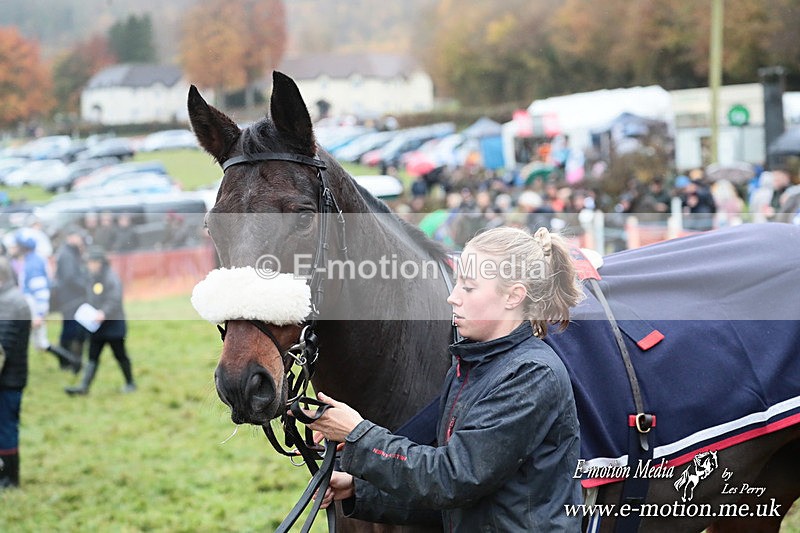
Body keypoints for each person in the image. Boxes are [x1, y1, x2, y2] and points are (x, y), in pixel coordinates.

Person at [301, 226, 584, 531]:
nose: (452, 298)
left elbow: (452, 478)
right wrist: (359, 490)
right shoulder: (469, 367)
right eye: (456, 283)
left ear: (514, 296)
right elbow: (457, 499)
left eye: (469, 287)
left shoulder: (530, 375)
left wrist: (358, 433)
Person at [65, 246, 135, 395]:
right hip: (97, 327)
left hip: (113, 326)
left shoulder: (111, 277)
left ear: (99, 262)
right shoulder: (92, 277)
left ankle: (130, 383)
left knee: (120, 355)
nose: (89, 265)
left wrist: (104, 312)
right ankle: (84, 387)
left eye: (91, 262)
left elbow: (115, 299)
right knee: (92, 356)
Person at [9, 230, 80, 372]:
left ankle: (73, 362)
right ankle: (72, 362)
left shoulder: (33, 263)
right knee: (40, 343)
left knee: (22, 341)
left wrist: (39, 315)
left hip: (34, 309)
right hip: (31, 308)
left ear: (22, 246)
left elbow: (40, 291)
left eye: (16, 245)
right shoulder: (30, 259)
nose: (13, 247)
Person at [0, 256, 31, 489]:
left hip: (8, 380)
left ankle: (10, 478)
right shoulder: (9, 299)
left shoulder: (10, 303)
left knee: (6, 429)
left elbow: (3, 349)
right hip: (10, 378)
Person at [52, 226, 90, 372]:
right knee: (69, 331)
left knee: (71, 330)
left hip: (73, 298)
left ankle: (68, 360)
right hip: (69, 300)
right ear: (71, 237)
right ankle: (65, 361)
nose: (80, 240)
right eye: (78, 237)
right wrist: (86, 287)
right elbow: (70, 277)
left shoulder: (72, 252)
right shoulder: (67, 254)